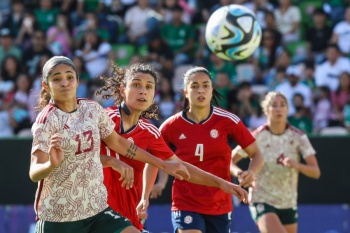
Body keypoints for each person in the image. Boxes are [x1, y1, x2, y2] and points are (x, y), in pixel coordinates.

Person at [29, 56, 192, 233]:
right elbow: (34, 173)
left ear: (77, 81)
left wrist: (162, 164)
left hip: (97, 211)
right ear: (46, 85)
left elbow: (118, 143)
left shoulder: (91, 109)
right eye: (57, 79)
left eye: (69, 77)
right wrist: (51, 164)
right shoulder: (46, 120)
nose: (64, 83)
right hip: (58, 216)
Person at [95, 63, 249, 232]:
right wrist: (112, 162)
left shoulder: (151, 133)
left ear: (154, 95)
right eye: (136, 85)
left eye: (149, 87)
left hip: (129, 216)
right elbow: (78, 155)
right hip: (99, 212)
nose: (143, 91)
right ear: (123, 90)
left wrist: (222, 183)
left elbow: (179, 167)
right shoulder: (104, 119)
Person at [150, 66, 264, 233]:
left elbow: (257, 154)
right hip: (185, 201)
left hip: (220, 202)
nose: (200, 90)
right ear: (185, 92)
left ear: (212, 90)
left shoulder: (229, 121)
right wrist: (158, 184)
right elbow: (155, 158)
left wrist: (252, 172)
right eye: (194, 86)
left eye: (205, 85)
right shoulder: (170, 126)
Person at [231, 91, 321, 233]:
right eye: (274, 105)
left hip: (288, 202)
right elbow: (230, 159)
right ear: (266, 110)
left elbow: (315, 172)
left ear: (287, 109)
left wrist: (296, 165)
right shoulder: (257, 136)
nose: (279, 109)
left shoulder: (298, 137)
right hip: (261, 198)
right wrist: (239, 173)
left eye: (282, 105)